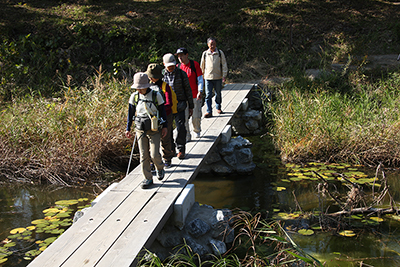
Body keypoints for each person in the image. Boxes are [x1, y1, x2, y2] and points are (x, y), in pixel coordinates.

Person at [125, 72, 168, 189]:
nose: (139, 90)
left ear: (146, 86)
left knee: (154, 154)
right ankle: (148, 178)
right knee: (143, 155)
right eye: (137, 88)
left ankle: (160, 168)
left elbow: (163, 112)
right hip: (140, 128)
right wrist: (128, 128)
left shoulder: (156, 95)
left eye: (141, 87)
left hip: (154, 128)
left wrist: (165, 127)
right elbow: (130, 114)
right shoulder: (134, 97)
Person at [162, 53, 194, 160]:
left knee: (181, 127)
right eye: (168, 66)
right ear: (164, 65)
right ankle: (171, 149)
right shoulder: (162, 75)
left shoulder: (181, 73)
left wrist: (191, 105)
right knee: (168, 128)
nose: (171, 68)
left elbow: (188, 90)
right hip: (167, 107)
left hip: (180, 104)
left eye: (172, 65)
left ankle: (181, 149)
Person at [145, 63, 175, 168]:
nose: (150, 78)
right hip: (152, 117)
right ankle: (153, 161)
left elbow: (169, 103)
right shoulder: (147, 86)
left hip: (165, 115)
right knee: (152, 139)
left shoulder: (165, 86)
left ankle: (167, 158)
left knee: (165, 138)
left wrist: (159, 109)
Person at [175, 47, 204, 140]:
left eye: (181, 55)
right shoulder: (177, 67)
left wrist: (200, 91)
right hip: (183, 97)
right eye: (178, 56)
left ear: (186, 55)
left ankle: (197, 130)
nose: (180, 58)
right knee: (184, 117)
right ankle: (187, 135)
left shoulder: (194, 64)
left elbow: (200, 79)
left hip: (195, 95)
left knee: (196, 116)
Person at [200, 37, 228, 118]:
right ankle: (209, 111)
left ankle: (218, 107)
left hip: (218, 77)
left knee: (218, 94)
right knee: (208, 95)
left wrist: (224, 75)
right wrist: (201, 77)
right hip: (208, 77)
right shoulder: (205, 54)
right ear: (208, 44)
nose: (212, 46)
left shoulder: (219, 53)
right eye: (211, 44)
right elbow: (202, 66)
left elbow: (224, 64)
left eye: (214, 44)